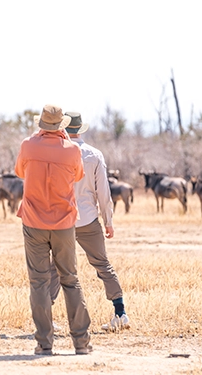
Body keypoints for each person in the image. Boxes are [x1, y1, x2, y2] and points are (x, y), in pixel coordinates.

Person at [14, 104, 92, 356]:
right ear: (61, 126)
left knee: (38, 282)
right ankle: (81, 342)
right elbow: (78, 175)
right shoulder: (71, 150)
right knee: (70, 279)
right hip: (64, 223)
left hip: (33, 221)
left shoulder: (28, 145)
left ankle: (44, 343)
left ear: (40, 124)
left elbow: (19, 171)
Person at [48, 112, 129, 332]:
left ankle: (45, 316)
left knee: (56, 267)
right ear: (81, 129)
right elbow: (103, 192)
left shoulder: (56, 154)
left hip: (62, 220)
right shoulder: (95, 155)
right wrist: (108, 221)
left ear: (63, 129)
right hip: (88, 219)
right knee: (103, 265)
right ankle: (120, 313)